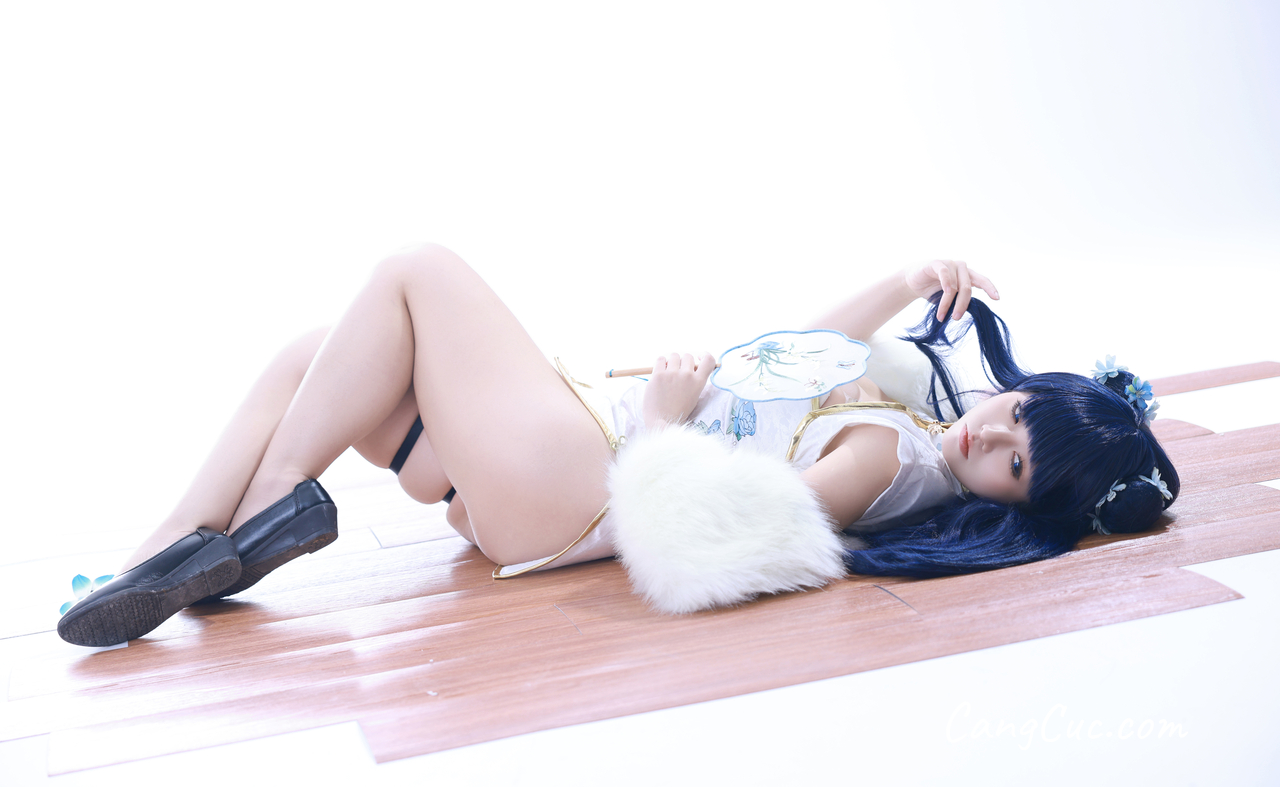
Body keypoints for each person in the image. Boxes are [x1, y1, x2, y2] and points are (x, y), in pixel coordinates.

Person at [56, 246, 1179, 646]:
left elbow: (730, 534)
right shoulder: (925, 426)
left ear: (1017, 502)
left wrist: (664, 422)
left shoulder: (890, 462)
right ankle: (171, 552)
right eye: (1020, 413)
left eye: (1014, 463)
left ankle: (264, 508)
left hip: (580, 476)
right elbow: (798, 354)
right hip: (559, 448)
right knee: (318, 353)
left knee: (416, 268)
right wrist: (903, 277)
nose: (994, 432)